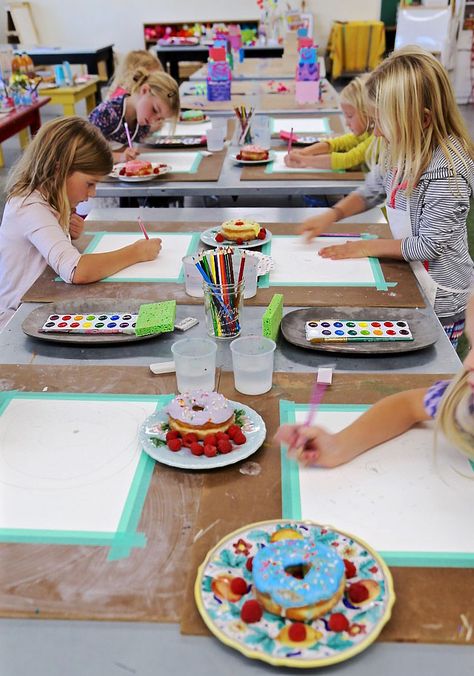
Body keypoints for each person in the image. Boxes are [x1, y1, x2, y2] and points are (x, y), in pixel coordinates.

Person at [299, 46, 474, 348]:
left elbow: (428, 245)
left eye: (381, 122)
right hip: (411, 276)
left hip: (442, 299)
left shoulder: (447, 171)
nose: (376, 133)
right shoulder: (400, 147)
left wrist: (365, 248)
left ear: (422, 120)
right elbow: (372, 189)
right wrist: (332, 214)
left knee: (429, 369)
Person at [275, 294, 474, 468]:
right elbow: (409, 406)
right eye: (472, 347)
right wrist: (339, 446)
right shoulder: (464, 399)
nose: (467, 363)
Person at [0, 117, 161, 329]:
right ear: (59, 170)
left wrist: (65, 231)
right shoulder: (28, 207)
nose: (92, 193)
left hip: (43, 304)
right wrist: (136, 252)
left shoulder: (45, 198)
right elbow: (77, 271)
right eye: (90, 183)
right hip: (17, 320)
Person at [284, 74, 374, 171]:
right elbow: (337, 143)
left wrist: (304, 160)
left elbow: (348, 159)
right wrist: (304, 152)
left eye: (350, 116)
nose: (346, 124)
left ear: (367, 112)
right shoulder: (367, 131)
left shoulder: (378, 138)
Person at [89, 68, 180, 163]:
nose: (154, 120)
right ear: (144, 90)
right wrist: (119, 157)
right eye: (154, 110)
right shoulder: (106, 113)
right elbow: (88, 154)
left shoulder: (143, 124)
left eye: (160, 118)